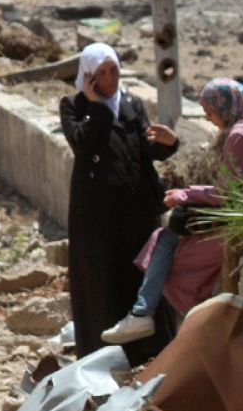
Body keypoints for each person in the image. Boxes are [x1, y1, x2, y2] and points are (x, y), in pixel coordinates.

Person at [103, 78, 243, 344]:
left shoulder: (239, 136)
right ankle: (147, 313)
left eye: (210, 113)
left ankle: (154, 316)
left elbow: (228, 193)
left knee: (168, 247)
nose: (209, 120)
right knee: (169, 238)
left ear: (225, 107)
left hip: (242, 229)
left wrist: (186, 194)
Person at [60, 43, 179, 357]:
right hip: (97, 213)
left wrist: (169, 144)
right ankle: (102, 354)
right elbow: (82, 142)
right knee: (103, 277)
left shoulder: (131, 103)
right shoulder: (74, 105)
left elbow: (143, 146)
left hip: (137, 207)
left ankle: (149, 352)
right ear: (88, 76)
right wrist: (97, 104)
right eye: (102, 72)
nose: (110, 78)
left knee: (141, 274)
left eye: (113, 70)